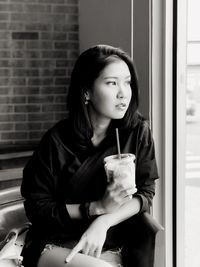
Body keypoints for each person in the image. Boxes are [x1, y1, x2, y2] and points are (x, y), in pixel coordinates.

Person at [21, 44, 159, 267]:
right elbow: (37, 208)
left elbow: (145, 192)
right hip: (57, 241)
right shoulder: (56, 141)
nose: (123, 92)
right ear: (86, 91)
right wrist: (96, 207)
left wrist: (104, 221)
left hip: (116, 240)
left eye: (127, 82)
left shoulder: (137, 132)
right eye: (112, 83)